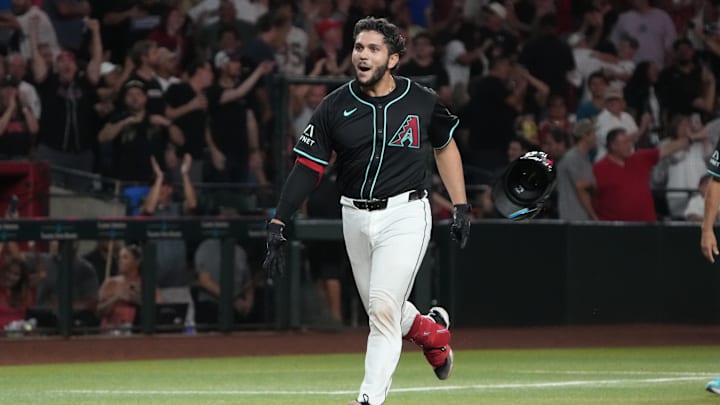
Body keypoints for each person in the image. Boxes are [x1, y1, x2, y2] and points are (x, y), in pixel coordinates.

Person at [262, 17, 471, 405]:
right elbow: (308, 166)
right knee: (384, 308)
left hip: (405, 213)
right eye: (359, 47)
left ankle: (368, 399)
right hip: (354, 215)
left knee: (381, 313)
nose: (363, 54)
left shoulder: (421, 100)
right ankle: (432, 333)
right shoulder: (334, 105)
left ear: (392, 59)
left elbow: (445, 146)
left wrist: (460, 205)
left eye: (373, 49)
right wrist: (279, 219)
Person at [593, 127, 692, 222]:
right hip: (616, 229)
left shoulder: (641, 158)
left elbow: (667, 149)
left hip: (646, 226)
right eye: (625, 143)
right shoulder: (599, 168)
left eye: (630, 142)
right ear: (613, 146)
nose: (630, 145)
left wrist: (690, 139)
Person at [97, 245, 159, 334]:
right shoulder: (110, 283)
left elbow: (158, 312)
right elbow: (98, 312)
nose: (120, 261)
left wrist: (138, 301)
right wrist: (117, 298)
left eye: (125, 257)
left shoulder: (148, 285)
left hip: (139, 331)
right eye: (119, 258)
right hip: (112, 330)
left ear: (137, 261)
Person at [556, 119, 598, 220]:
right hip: (572, 217)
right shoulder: (572, 157)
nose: (596, 136)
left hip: (581, 216)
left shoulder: (585, 157)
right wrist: (593, 215)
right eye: (593, 133)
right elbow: (580, 187)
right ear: (584, 136)